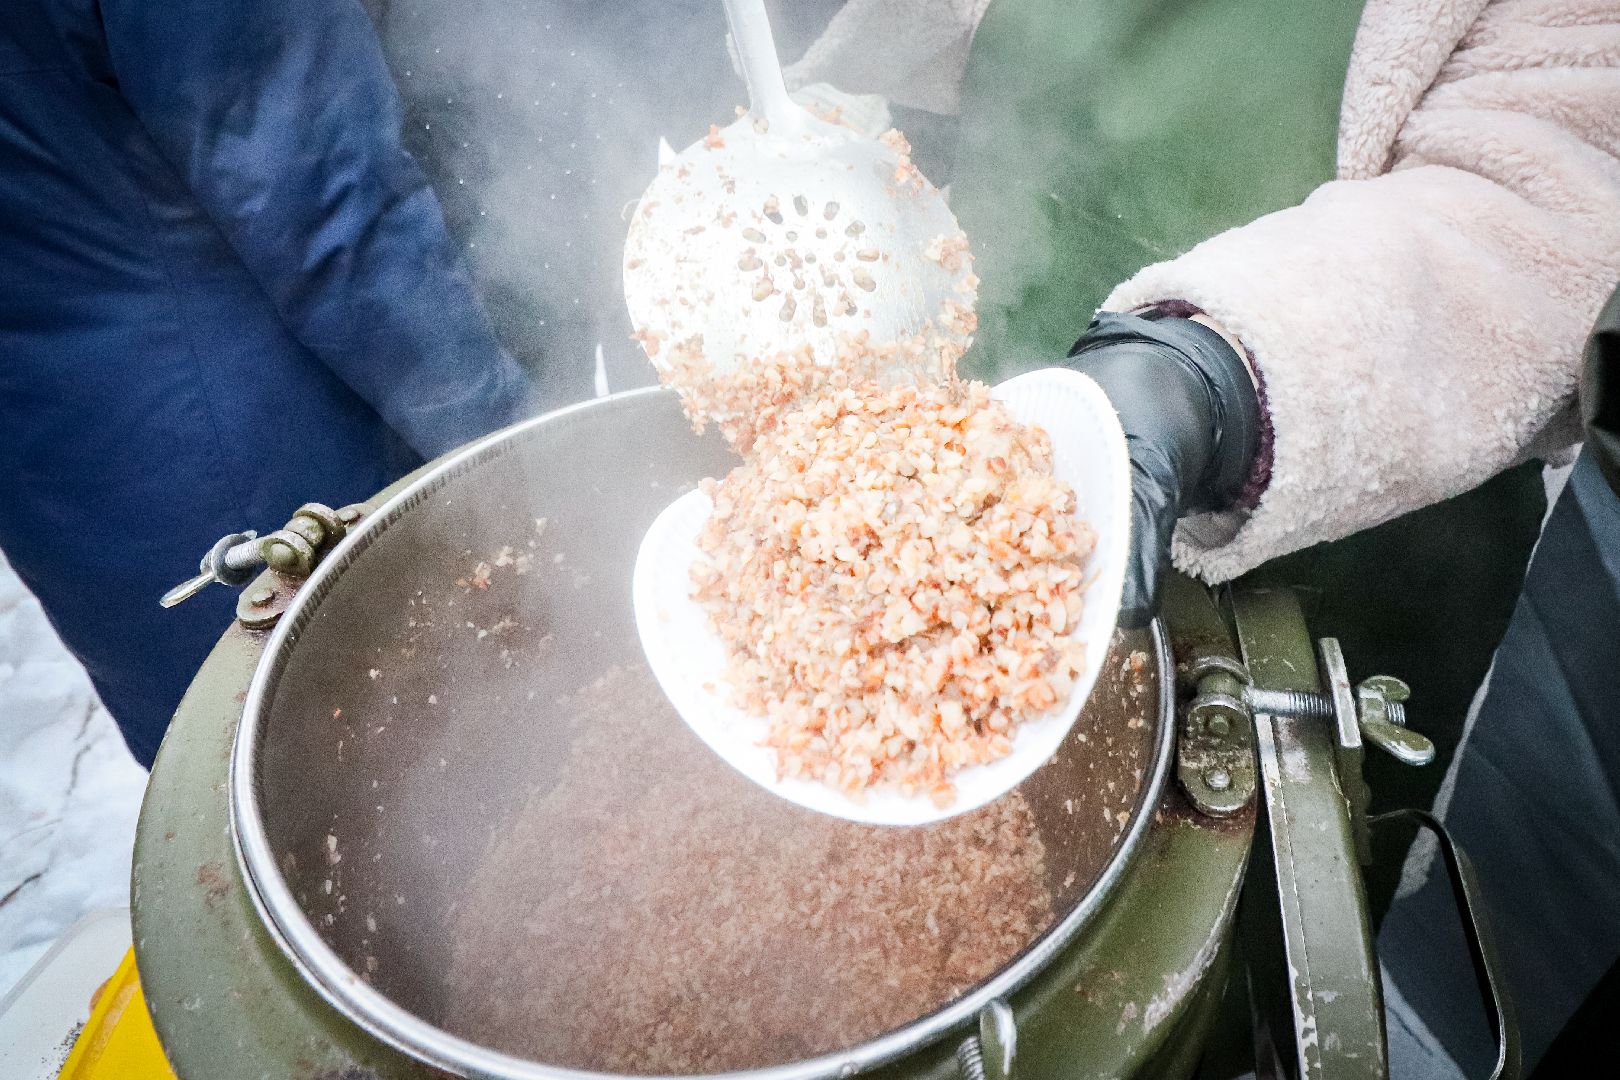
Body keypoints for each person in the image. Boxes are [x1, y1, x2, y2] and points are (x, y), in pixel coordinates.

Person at [789, 0, 1620, 1074]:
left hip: (1340, 478)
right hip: (1008, 357)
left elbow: (1555, 194)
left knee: (1226, 936)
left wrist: (1208, 380)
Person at [0, 0, 531, 768]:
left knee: (253, 793)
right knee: (414, 777)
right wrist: (517, 449)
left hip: (60, 466)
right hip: (252, 449)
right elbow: (326, 199)